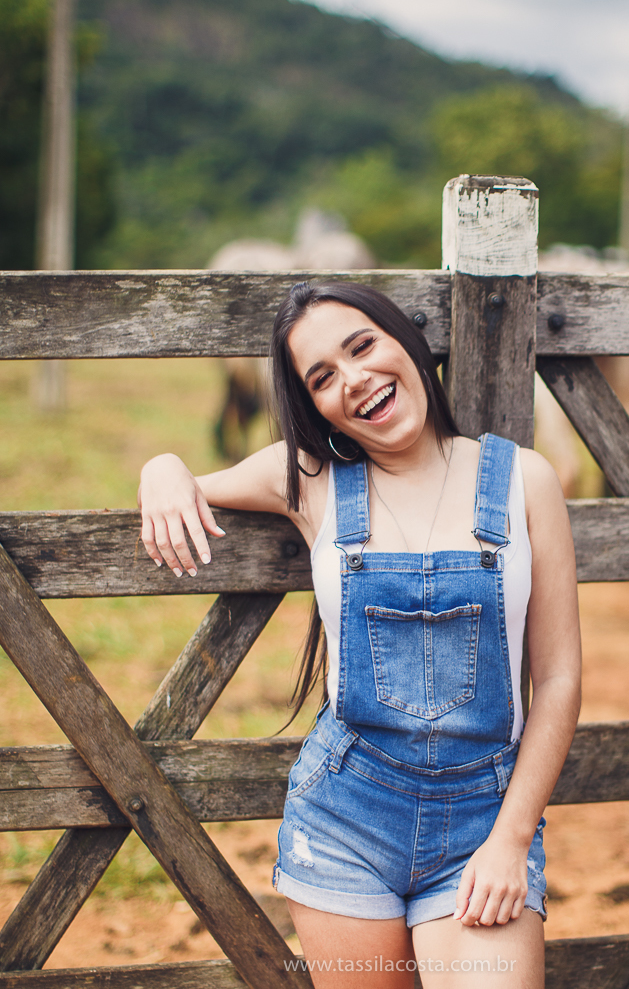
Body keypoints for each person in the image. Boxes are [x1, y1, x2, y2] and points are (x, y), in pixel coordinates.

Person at [139, 280, 580, 989]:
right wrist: (158, 470)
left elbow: (558, 680)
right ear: (314, 407)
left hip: (484, 820)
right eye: (323, 377)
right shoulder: (313, 480)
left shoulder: (524, 480)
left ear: (404, 339)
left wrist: (511, 839)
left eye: (362, 346)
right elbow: (188, 478)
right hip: (346, 821)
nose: (355, 380)